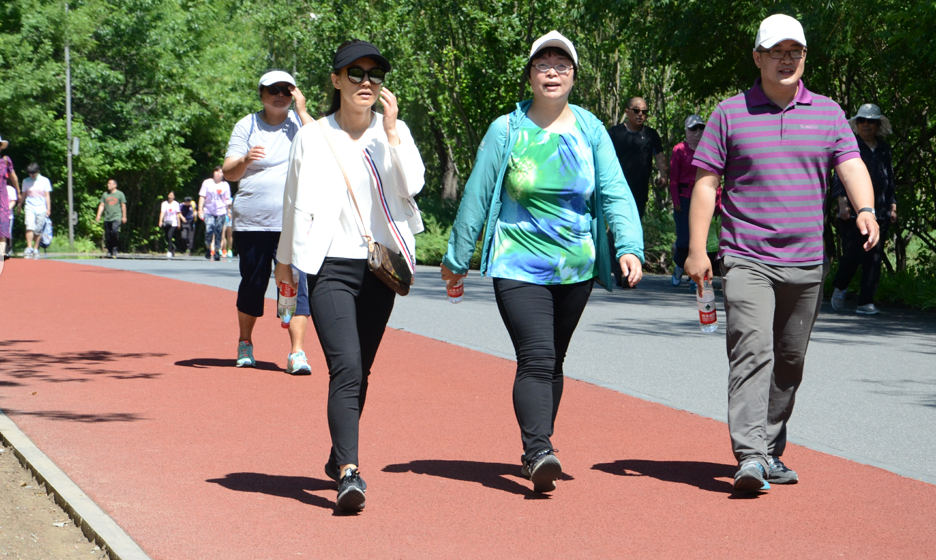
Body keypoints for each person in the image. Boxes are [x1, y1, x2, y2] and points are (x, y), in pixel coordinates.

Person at [440, 31, 644, 494]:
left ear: (574, 75)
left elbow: (614, 190)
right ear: (530, 74)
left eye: (562, 65)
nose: (552, 72)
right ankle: (538, 451)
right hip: (518, 262)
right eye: (543, 64)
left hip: (577, 267)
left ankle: (538, 444)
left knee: (554, 361)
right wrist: (457, 257)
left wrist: (630, 245)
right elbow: (476, 193)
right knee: (536, 356)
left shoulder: (590, 129)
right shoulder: (507, 130)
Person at [684, 14, 879, 493]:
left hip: (808, 260)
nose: (787, 59)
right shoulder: (729, 113)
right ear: (758, 57)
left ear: (805, 57)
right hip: (746, 255)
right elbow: (706, 184)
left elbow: (851, 165)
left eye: (795, 51)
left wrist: (867, 208)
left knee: (789, 361)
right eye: (777, 51)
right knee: (753, 351)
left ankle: (769, 448)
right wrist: (696, 248)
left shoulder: (829, 112)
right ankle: (750, 456)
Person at [276, 40, 425, 511]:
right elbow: (292, 202)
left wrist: (394, 132)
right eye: (355, 73)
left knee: (361, 372)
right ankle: (350, 473)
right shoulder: (312, 136)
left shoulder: (391, 134)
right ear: (336, 80)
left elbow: (415, 184)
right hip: (329, 267)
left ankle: (339, 452)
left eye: (375, 75)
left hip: (380, 270)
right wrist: (284, 264)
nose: (366, 82)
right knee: (346, 366)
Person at [223, 70, 314, 374]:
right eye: (272, 89)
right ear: (261, 94)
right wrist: (246, 159)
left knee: (295, 285)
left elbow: (325, 151)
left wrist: (302, 110)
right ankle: (245, 343)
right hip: (253, 221)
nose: (279, 95)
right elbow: (229, 173)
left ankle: (297, 353)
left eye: (286, 90)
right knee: (253, 283)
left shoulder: (301, 124)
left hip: (293, 222)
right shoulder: (246, 125)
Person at [830, 104, 896, 315]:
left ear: (878, 125)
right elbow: (840, 175)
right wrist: (842, 203)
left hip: (881, 211)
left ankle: (865, 302)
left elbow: (890, 178)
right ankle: (840, 285)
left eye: (871, 121)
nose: (866, 125)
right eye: (862, 121)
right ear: (856, 124)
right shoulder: (851, 146)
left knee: (874, 256)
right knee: (852, 254)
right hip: (853, 212)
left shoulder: (884, 148)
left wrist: (893, 205)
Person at [607, 97, 668, 219]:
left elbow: (659, 156)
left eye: (644, 112)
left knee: (635, 222)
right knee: (619, 223)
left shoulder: (651, 135)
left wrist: (664, 175)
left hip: (640, 190)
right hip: (617, 188)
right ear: (627, 112)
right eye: (636, 110)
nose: (640, 114)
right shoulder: (614, 133)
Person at [669, 115, 705, 287]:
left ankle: (693, 273)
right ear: (686, 130)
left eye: (700, 128)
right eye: (693, 129)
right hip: (683, 199)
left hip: (701, 199)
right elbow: (673, 178)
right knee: (683, 240)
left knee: (698, 239)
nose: (697, 132)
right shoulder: (679, 150)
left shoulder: (707, 150)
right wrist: (675, 198)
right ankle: (679, 265)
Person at [0, 134, 20, 260]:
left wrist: (18, 192)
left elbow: (13, 177)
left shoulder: (6, 160)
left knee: (2, 221)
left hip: (2, 196)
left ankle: (2, 252)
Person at [198, 167, 232, 261]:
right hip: (208, 211)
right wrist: (200, 209)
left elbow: (227, 200)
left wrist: (228, 212)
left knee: (219, 231)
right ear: (213, 172)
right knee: (209, 229)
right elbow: (202, 196)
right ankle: (208, 248)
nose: (218, 173)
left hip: (221, 211)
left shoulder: (225, 185)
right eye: (217, 171)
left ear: (223, 175)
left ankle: (217, 251)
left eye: (221, 172)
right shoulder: (207, 183)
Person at [18, 162, 51, 259]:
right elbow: (24, 194)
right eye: (30, 173)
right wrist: (19, 205)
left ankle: (36, 248)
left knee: (38, 230)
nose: (32, 175)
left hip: (41, 208)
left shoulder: (45, 181)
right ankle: (29, 247)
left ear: (37, 172)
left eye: (34, 173)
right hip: (30, 206)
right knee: (29, 225)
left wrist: (48, 209)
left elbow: (47, 196)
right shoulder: (26, 181)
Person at [95, 179, 127, 258]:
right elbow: (102, 205)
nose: (108, 185)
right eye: (108, 184)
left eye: (110, 184)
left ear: (115, 185)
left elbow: (123, 205)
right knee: (108, 235)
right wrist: (98, 215)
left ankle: (115, 248)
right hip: (107, 217)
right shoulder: (105, 194)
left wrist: (124, 216)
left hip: (117, 216)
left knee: (115, 231)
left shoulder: (120, 194)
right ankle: (109, 250)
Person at [158, 191, 181, 257]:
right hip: (166, 222)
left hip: (173, 223)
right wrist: (160, 221)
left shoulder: (176, 204)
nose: (170, 196)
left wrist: (179, 223)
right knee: (166, 237)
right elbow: (162, 213)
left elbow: (177, 214)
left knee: (170, 235)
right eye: (169, 195)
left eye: (172, 195)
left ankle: (169, 251)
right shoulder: (164, 204)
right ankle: (173, 248)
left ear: (174, 197)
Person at [6, 184, 17, 256]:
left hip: (8, 216)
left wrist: (5, 210)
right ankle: (0, 250)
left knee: (8, 234)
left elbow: (13, 201)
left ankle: (8, 249)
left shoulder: (10, 189)